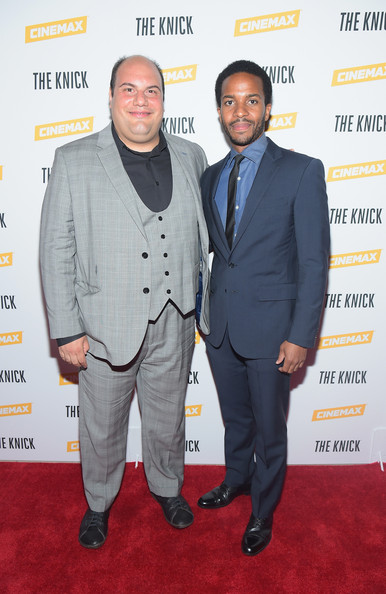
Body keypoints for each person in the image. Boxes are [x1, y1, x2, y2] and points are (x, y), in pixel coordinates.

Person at [39, 55, 210, 549]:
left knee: (167, 415)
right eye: (129, 90)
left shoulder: (191, 154)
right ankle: (98, 503)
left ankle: (167, 488)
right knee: (102, 424)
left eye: (151, 90)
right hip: (104, 326)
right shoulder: (74, 159)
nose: (141, 100)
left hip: (175, 320)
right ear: (112, 96)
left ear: (163, 99)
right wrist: (67, 329)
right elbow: (56, 248)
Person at [198, 60, 330, 556]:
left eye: (251, 100)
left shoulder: (300, 170)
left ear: (268, 108)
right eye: (230, 101)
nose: (240, 110)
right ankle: (237, 480)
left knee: (270, 428)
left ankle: (263, 510)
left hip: (275, 332)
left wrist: (301, 336)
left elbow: (315, 262)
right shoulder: (210, 176)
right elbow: (211, 252)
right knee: (236, 419)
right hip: (222, 328)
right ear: (218, 111)